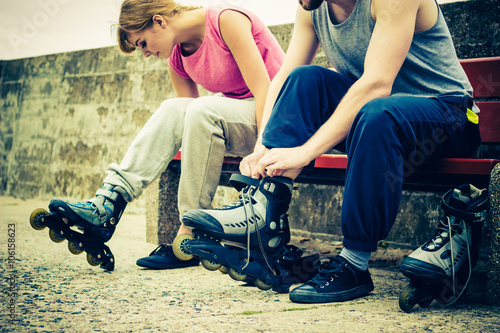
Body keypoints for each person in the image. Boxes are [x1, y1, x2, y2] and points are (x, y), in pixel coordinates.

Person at [181, 0, 482, 303]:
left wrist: (305, 151)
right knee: (305, 79)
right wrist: (262, 148)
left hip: (449, 117)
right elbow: (285, 75)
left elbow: (377, 84)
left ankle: (354, 265)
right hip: (377, 124)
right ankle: (262, 218)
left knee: (378, 112)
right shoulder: (311, 7)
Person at [47, 0, 285, 270]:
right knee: (174, 108)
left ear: (159, 21)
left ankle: (190, 231)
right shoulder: (177, 59)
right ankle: (110, 200)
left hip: (282, 115)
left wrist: (261, 149)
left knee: (203, 109)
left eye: (142, 43)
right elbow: (187, 119)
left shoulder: (225, 21)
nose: (146, 54)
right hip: (243, 119)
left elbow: (264, 88)